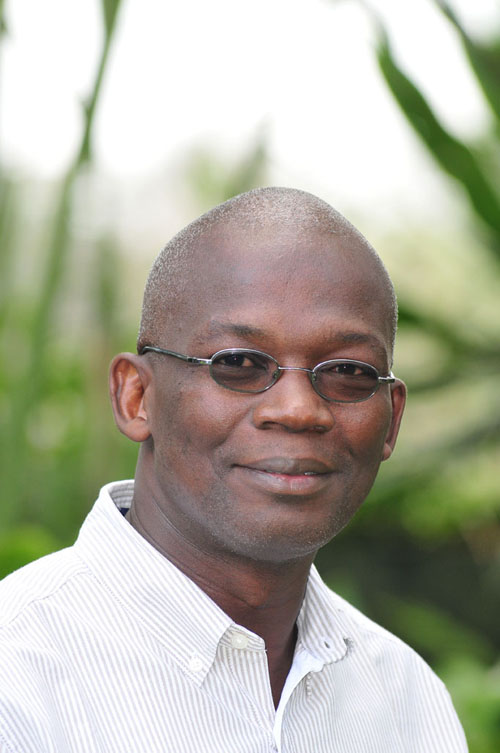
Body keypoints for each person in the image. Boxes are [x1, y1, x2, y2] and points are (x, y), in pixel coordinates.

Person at [0, 187, 467, 752]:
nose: (298, 409)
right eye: (239, 364)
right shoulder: (19, 675)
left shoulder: (405, 700)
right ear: (136, 397)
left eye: (348, 370)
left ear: (390, 421)